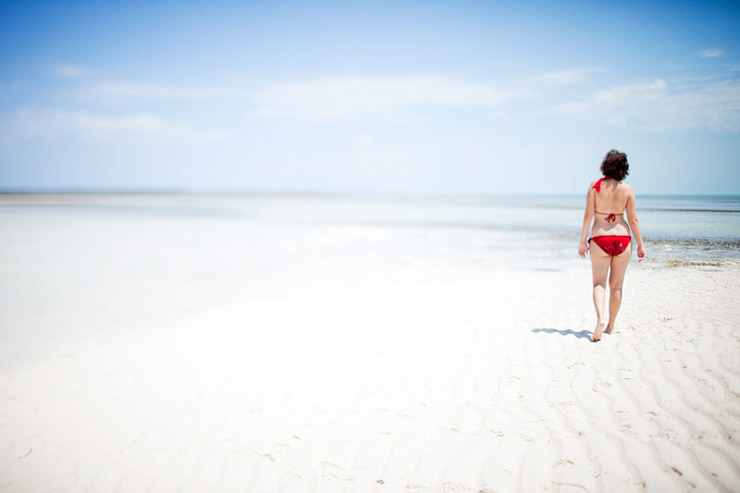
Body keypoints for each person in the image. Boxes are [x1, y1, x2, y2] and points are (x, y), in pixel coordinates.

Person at [578, 150, 646, 342]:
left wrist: (583, 241)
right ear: (624, 169)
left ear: (605, 165)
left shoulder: (595, 186)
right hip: (622, 239)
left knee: (598, 283)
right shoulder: (628, 190)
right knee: (616, 285)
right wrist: (640, 245)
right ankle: (611, 326)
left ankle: (600, 318)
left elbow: (588, 216)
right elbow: (633, 220)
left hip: (600, 239)